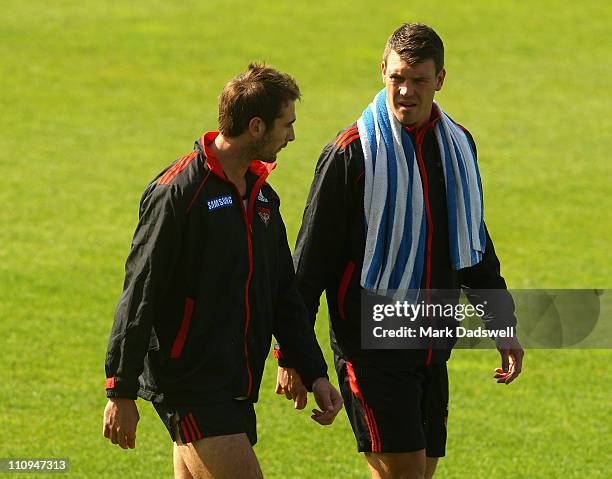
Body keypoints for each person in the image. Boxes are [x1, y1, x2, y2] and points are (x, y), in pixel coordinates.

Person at [275, 24, 524, 479]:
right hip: (370, 349)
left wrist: (501, 324)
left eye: (419, 80)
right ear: (383, 72)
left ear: (440, 79)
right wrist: (293, 355)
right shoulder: (351, 154)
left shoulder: (457, 146)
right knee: (405, 472)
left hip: (431, 344)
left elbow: (474, 247)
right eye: (397, 78)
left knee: (420, 471)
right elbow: (309, 264)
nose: (406, 91)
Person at [102, 63, 343, 479]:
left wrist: (314, 371)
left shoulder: (263, 198)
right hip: (190, 384)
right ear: (255, 126)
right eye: (286, 125)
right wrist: (120, 391)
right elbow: (141, 292)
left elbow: (283, 295)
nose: (291, 136)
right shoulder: (178, 193)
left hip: (235, 382)